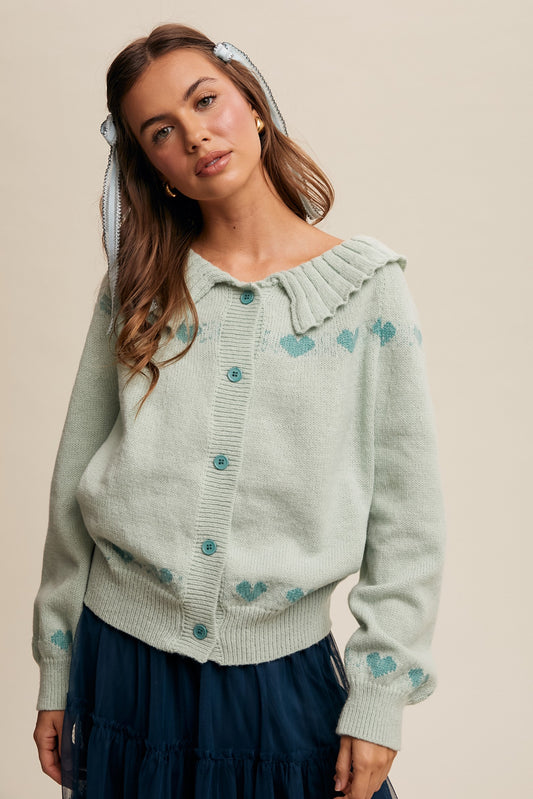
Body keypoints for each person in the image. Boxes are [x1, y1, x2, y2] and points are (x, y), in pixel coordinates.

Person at [31, 22, 446, 799]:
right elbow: (72, 482)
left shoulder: (367, 291)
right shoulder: (137, 285)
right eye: (161, 130)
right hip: (121, 659)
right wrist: (57, 663)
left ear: (252, 105)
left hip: (277, 668)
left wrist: (380, 692)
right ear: (150, 164)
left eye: (204, 101)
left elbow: (408, 511)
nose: (194, 135)